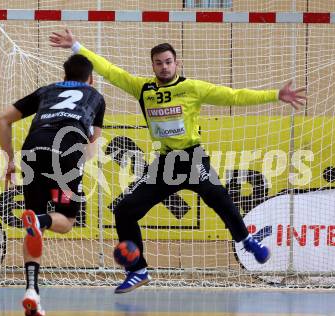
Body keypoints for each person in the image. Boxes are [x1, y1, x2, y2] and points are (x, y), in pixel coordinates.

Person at [50, 29, 306, 294]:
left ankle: (247, 241)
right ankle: (137, 271)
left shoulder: (191, 88)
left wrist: (276, 95)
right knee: (124, 210)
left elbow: (234, 96)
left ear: (177, 63)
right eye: (158, 63)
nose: (164, 67)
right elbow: (110, 71)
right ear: (152, 65)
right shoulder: (143, 88)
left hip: (192, 157)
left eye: (168, 62)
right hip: (164, 165)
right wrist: (76, 46)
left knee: (217, 196)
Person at [0, 54, 105, 316]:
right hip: (67, 148)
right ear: (90, 79)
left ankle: (31, 291)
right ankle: (42, 220)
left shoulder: (47, 90)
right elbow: (92, 148)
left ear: (63, 75)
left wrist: (10, 160)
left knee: (33, 224)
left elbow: (2, 119)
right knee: (66, 221)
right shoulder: (95, 96)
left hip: (33, 147)